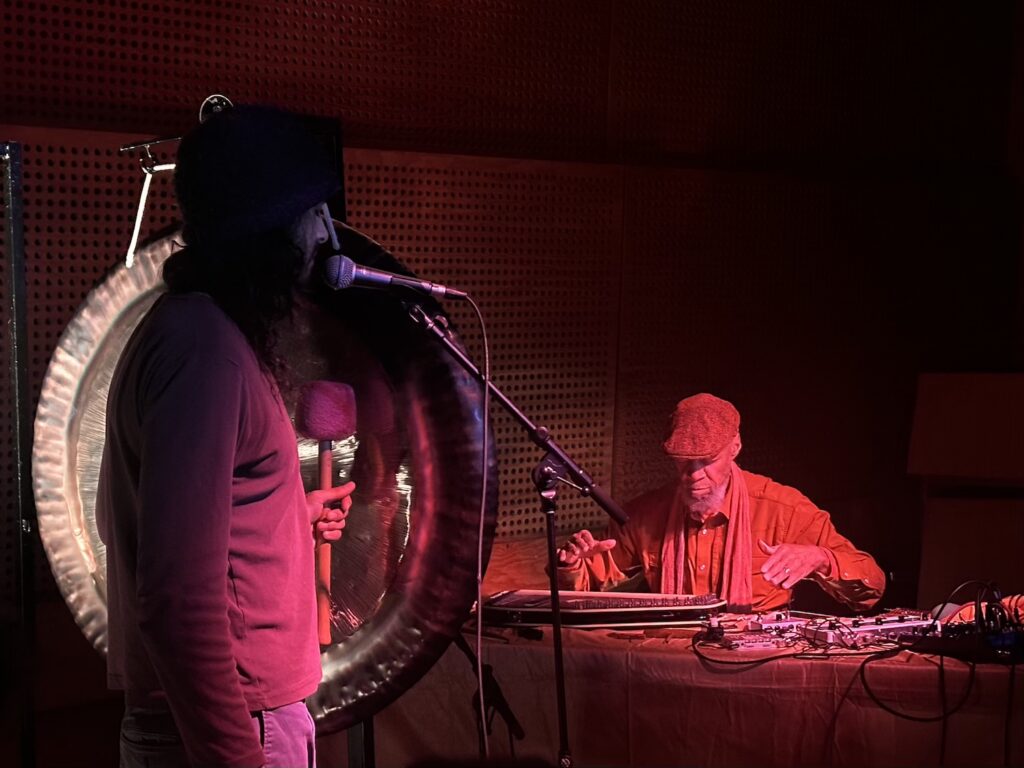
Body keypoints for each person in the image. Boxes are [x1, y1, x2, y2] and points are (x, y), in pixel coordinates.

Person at [97, 105, 355, 768]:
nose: (329, 233)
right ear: (270, 229)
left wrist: (287, 520)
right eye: (314, 213)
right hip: (237, 729)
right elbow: (177, 600)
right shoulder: (203, 349)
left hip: (239, 721)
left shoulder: (198, 334)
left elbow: (186, 530)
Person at [556, 393, 884, 613]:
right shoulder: (645, 514)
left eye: (707, 461)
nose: (693, 475)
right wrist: (571, 565)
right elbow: (584, 589)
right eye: (683, 462)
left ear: (735, 447)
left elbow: (872, 588)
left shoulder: (784, 509)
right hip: (672, 660)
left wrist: (821, 559)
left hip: (757, 668)